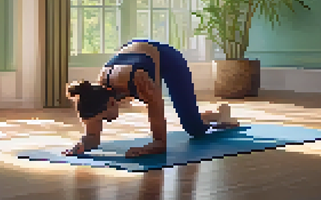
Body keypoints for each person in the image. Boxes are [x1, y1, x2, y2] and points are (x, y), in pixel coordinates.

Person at [64, 39, 239, 158]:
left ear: (111, 102)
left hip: (168, 58)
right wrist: (82, 145)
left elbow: (161, 144)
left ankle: (218, 114)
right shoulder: (96, 92)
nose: (104, 123)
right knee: (190, 121)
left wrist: (146, 149)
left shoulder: (141, 83)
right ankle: (215, 115)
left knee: (194, 129)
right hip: (136, 50)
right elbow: (93, 137)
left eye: (103, 119)